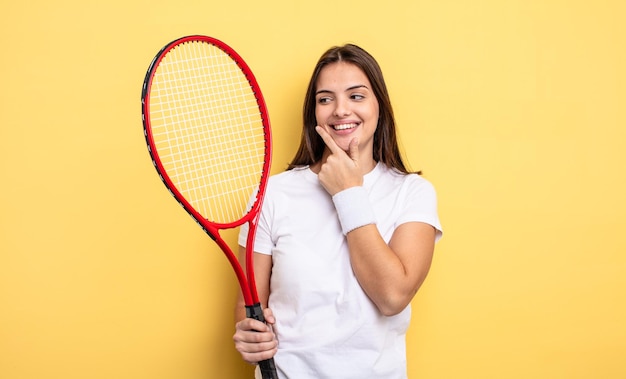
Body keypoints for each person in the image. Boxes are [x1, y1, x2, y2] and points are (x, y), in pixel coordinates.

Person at [233, 43, 443, 379]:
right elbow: (249, 309)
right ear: (313, 112)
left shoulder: (412, 193)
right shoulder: (274, 193)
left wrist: (348, 193)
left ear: (380, 107)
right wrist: (249, 337)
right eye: (325, 99)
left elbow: (392, 297)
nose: (340, 111)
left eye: (356, 96)